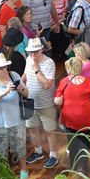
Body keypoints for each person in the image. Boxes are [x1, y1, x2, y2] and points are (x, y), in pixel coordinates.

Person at [54, 57, 90, 179]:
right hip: (86, 118)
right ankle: (83, 167)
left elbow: (57, 101)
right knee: (85, 141)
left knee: (72, 140)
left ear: (68, 68)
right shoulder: (87, 82)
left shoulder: (64, 82)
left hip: (70, 118)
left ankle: (73, 165)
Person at [0, 53, 30, 179]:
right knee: (0, 152)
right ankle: (5, 175)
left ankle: (24, 171)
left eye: (5, 67)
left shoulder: (14, 75)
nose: (4, 70)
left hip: (17, 121)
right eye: (0, 68)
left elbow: (26, 93)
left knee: (20, 148)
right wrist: (5, 91)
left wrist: (20, 87)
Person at [22, 38, 59, 169]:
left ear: (41, 49)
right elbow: (25, 76)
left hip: (46, 103)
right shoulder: (28, 60)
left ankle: (53, 155)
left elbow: (47, 85)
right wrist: (19, 83)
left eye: (35, 52)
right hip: (30, 102)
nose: (32, 55)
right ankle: (38, 152)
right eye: (30, 52)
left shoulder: (49, 63)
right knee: (32, 128)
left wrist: (37, 70)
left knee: (50, 131)